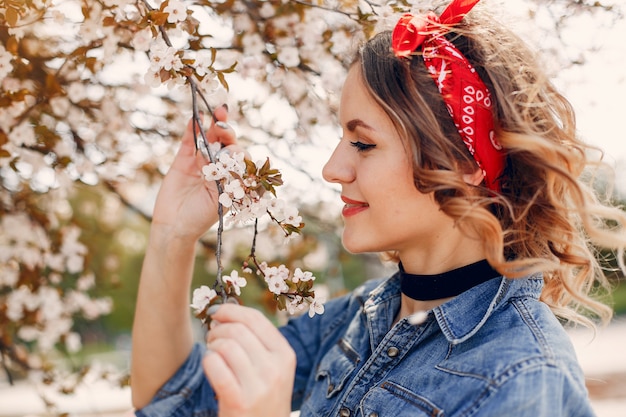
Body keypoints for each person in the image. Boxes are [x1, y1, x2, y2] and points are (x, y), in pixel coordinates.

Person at [130, 0, 626, 416]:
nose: (332, 168)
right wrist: (172, 233)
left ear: (462, 161)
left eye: (362, 144)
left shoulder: (520, 378)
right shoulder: (360, 318)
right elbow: (176, 403)